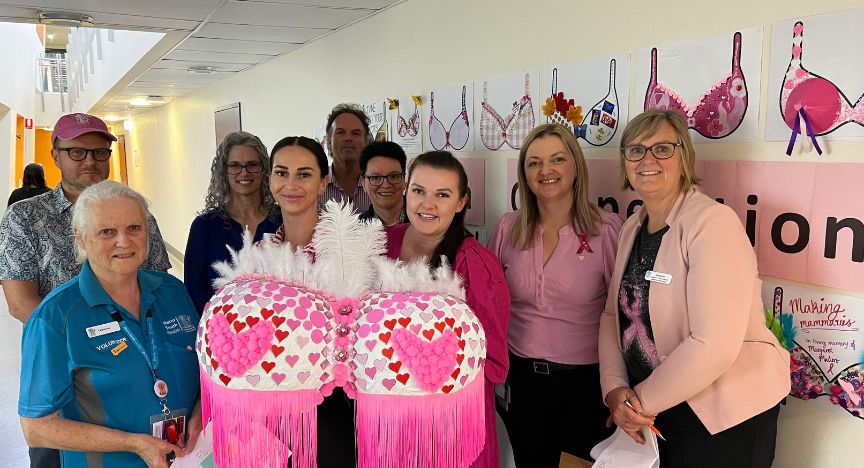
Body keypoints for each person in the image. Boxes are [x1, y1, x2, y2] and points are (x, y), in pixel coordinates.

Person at [598, 110, 790, 467]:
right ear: (625, 163)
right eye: (636, 150)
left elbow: (713, 344)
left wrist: (637, 402)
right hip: (659, 407)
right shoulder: (632, 227)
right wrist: (613, 389)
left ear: (684, 157)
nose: (647, 159)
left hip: (723, 414)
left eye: (662, 149)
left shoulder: (711, 223)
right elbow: (613, 314)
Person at [0, 113, 171, 468]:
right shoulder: (25, 218)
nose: (90, 161)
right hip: (61, 371)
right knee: (57, 452)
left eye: (99, 152)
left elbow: (158, 291)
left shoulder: (137, 212)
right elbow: (20, 303)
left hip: (133, 369)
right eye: (77, 152)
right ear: (56, 155)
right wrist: (89, 346)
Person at [18, 180, 202, 468]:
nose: (124, 242)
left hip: (187, 459)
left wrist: (201, 414)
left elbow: (207, 372)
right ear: (80, 238)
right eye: (107, 232)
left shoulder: (173, 292)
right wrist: (133, 444)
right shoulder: (55, 318)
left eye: (134, 228)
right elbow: (37, 428)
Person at [488, 123, 622, 466]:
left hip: (585, 385)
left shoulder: (605, 230)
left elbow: (623, 313)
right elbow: (491, 304)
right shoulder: (508, 228)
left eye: (557, 159)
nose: (545, 171)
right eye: (534, 163)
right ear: (524, 173)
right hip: (521, 383)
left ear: (576, 166)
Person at [384, 150, 510, 468]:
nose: (428, 205)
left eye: (442, 194)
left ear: (460, 201)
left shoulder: (473, 263)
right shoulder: (380, 245)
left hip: (450, 426)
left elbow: (493, 362)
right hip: (388, 418)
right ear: (405, 191)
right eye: (418, 191)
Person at [267, 136, 357, 468]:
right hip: (270, 407)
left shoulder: (349, 253)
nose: (291, 184)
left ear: (323, 184)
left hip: (331, 409)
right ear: (270, 180)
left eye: (304, 174)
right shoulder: (258, 255)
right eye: (281, 172)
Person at [184, 131, 281, 314]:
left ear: (264, 169)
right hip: (220, 331)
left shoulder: (283, 219)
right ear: (223, 172)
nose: (244, 172)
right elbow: (194, 290)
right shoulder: (204, 227)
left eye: (252, 165)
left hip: (279, 327)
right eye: (235, 166)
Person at [319, 104, 372, 213]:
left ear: (366, 142)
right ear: (329, 141)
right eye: (340, 132)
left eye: (356, 133)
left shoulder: (377, 185)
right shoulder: (315, 186)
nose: (348, 138)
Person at [358, 140, 408, 226]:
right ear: (364, 183)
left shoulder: (425, 221)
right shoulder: (354, 231)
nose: (386, 185)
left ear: (404, 180)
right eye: (376, 177)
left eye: (393, 176)